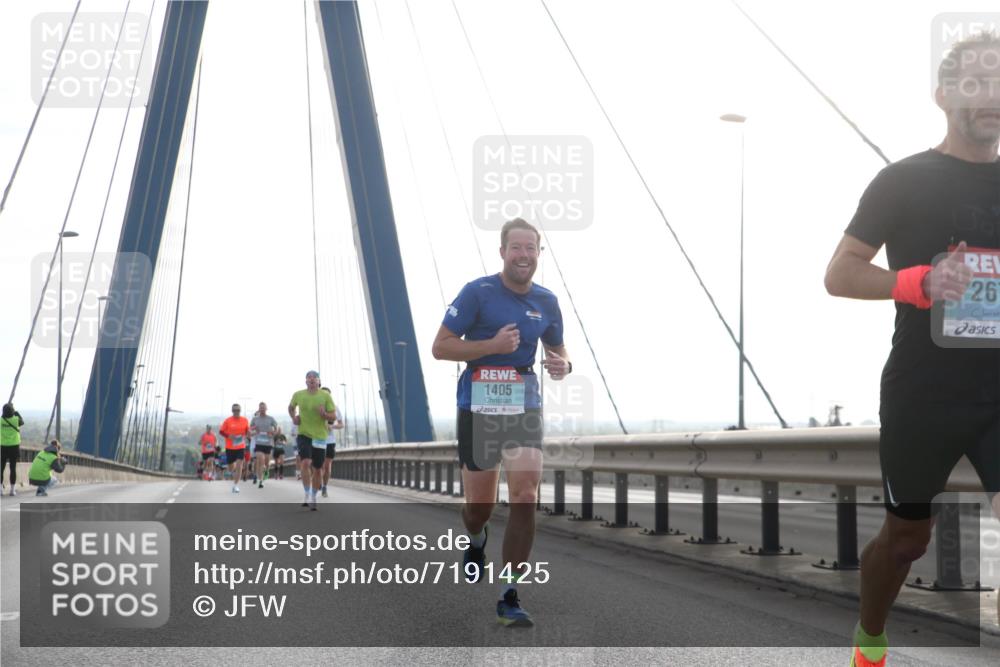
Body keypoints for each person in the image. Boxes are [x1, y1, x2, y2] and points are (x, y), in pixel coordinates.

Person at [824, 31, 1000, 667]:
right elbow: (839, 274)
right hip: (924, 391)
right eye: (976, 82)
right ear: (943, 95)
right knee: (906, 543)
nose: (991, 94)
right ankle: (870, 643)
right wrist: (918, 282)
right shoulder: (903, 180)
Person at [431, 217, 570, 628]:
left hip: (523, 405)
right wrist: (491, 346)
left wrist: (563, 365)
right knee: (479, 508)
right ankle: (476, 539)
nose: (523, 255)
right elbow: (440, 347)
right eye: (516, 248)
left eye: (531, 248)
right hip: (479, 407)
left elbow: (559, 349)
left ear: (539, 254)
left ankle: (509, 593)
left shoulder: (546, 301)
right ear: (502, 252)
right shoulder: (478, 293)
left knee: (526, 496)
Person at [288, 371, 336, 511]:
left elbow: (332, 415)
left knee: (318, 469)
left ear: (318, 381)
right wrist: (294, 417)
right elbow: (291, 407)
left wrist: (324, 414)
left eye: (314, 378)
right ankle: (307, 493)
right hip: (304, 434)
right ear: (306, 381)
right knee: (305, 462)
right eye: (309, 378)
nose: (312, 380)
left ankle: (314, 495)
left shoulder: (325, 395)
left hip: (320, 437)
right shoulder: (298, 394)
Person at [219, 403, 250, 494]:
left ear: (240, 411)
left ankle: (236, 485)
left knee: (240, 464)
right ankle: (233, 471)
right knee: (231, 468)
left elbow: (247, 431)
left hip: (240, 446)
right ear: (232, 411)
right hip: (230, 447)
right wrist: (229, 436)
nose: (236, 412)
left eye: (238, 410)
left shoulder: (245, 420)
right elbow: (221, 432)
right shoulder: (228, 421)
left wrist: (249, 433)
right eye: (235, 410)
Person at [319, 387, 344, 498]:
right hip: (317, 439)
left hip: (329, 441)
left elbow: (341, 424)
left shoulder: (335, 408)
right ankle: (317, 481)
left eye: (327, 395)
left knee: (327, 465)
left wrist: (332, 426)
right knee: (319, 466)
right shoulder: (315, 407)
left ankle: (324, 486)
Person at [251, 402, 278, 489]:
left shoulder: (271, 419)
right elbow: (250, 428)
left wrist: (273, 433)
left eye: (263, 408)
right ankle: (261, 481)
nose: (262, 409)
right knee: (260, 460)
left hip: (268, 443)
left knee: (266, 463)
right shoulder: (255, 419)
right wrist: (255, 430)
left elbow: (277, 429)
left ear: (266, 409)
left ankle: (266, 471)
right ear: (259, 409)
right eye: (260, 408)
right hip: (259, 443)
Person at [1, 403, 24, 496]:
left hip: (2, 446)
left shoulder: (0, 420)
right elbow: (22, 422)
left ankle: (0, 490)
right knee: (12, 468)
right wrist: (16, 412)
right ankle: (12, 490)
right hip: (14, 447)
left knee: (1, 468)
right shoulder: (16, 420)